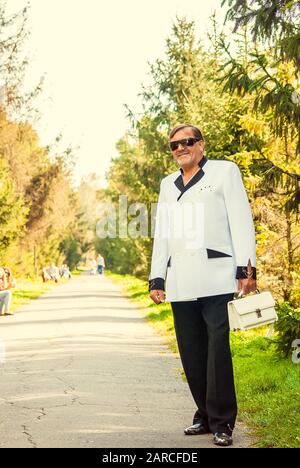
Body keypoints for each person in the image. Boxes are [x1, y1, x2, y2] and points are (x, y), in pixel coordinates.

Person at [149, 124, 257, 447]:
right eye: (174, 145)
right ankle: (205, 415)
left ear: (201, 144)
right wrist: (157, 276)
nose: (181, 148)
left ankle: (223, 420)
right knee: (191, 352)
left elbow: (241, 218)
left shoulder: (225, 173)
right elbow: (163, 233)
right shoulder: (167, 185)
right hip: (181, 281)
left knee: (217, 349)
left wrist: (246, 268)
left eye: (187, 142)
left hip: (217, 275)